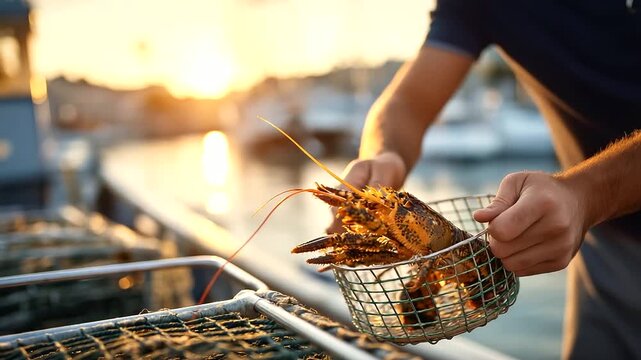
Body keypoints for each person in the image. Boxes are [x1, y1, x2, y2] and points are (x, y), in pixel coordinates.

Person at [327, 1, 641, 359]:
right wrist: (385, 155)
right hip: (602, 249)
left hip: (587, 213)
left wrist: (588, 195)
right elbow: (407, 104)